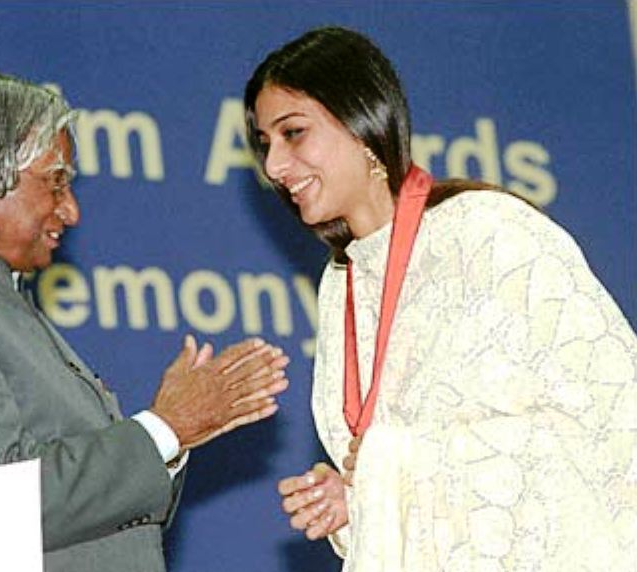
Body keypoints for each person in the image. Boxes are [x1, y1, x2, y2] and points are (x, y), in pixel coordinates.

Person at [0, 69, 290, 572]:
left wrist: (171, 440)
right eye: (56, 182)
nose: (73, 211)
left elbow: (94, 515)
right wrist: (165, 429)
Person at [244, 26, 637, 572]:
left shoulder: (490, 233)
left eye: (293, 133)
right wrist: (357, 499)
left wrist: (394, 466)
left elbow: (614, 425)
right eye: (265, 144)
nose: (274, 167)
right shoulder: (344, 279)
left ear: (363, 120)